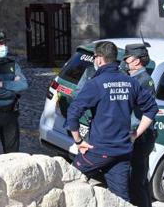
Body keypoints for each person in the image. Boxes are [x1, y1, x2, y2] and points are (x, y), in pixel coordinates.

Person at [66, 41, 158, 202]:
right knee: (120, 200)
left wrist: (78, 140)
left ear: (100, 59)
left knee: (69, 180)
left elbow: (73, 112)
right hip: (122, 151)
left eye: (95, 57)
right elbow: (152, 109)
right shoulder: (131, 82)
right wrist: (135, 134)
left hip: (98, 149)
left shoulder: (96, 83)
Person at [124, 43, 156, 207]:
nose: (125, 62)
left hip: (140, 137)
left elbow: (145, 112)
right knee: (137, 180)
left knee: (136, 182)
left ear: (137, 61)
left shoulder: (144, 81)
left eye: (127, 58)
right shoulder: (133, 79)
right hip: (136, 137)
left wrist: (134, 134)